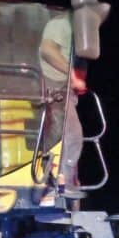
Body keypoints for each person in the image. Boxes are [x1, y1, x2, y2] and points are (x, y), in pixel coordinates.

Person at [39, 13, 88, 197]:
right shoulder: (61, 24)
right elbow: (47, 50)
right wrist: (73, 76)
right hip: (53, 88)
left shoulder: (77, 31)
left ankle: (66, 182)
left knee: (69, 137)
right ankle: (60, 182)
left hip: (64, 90)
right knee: (71, 135)